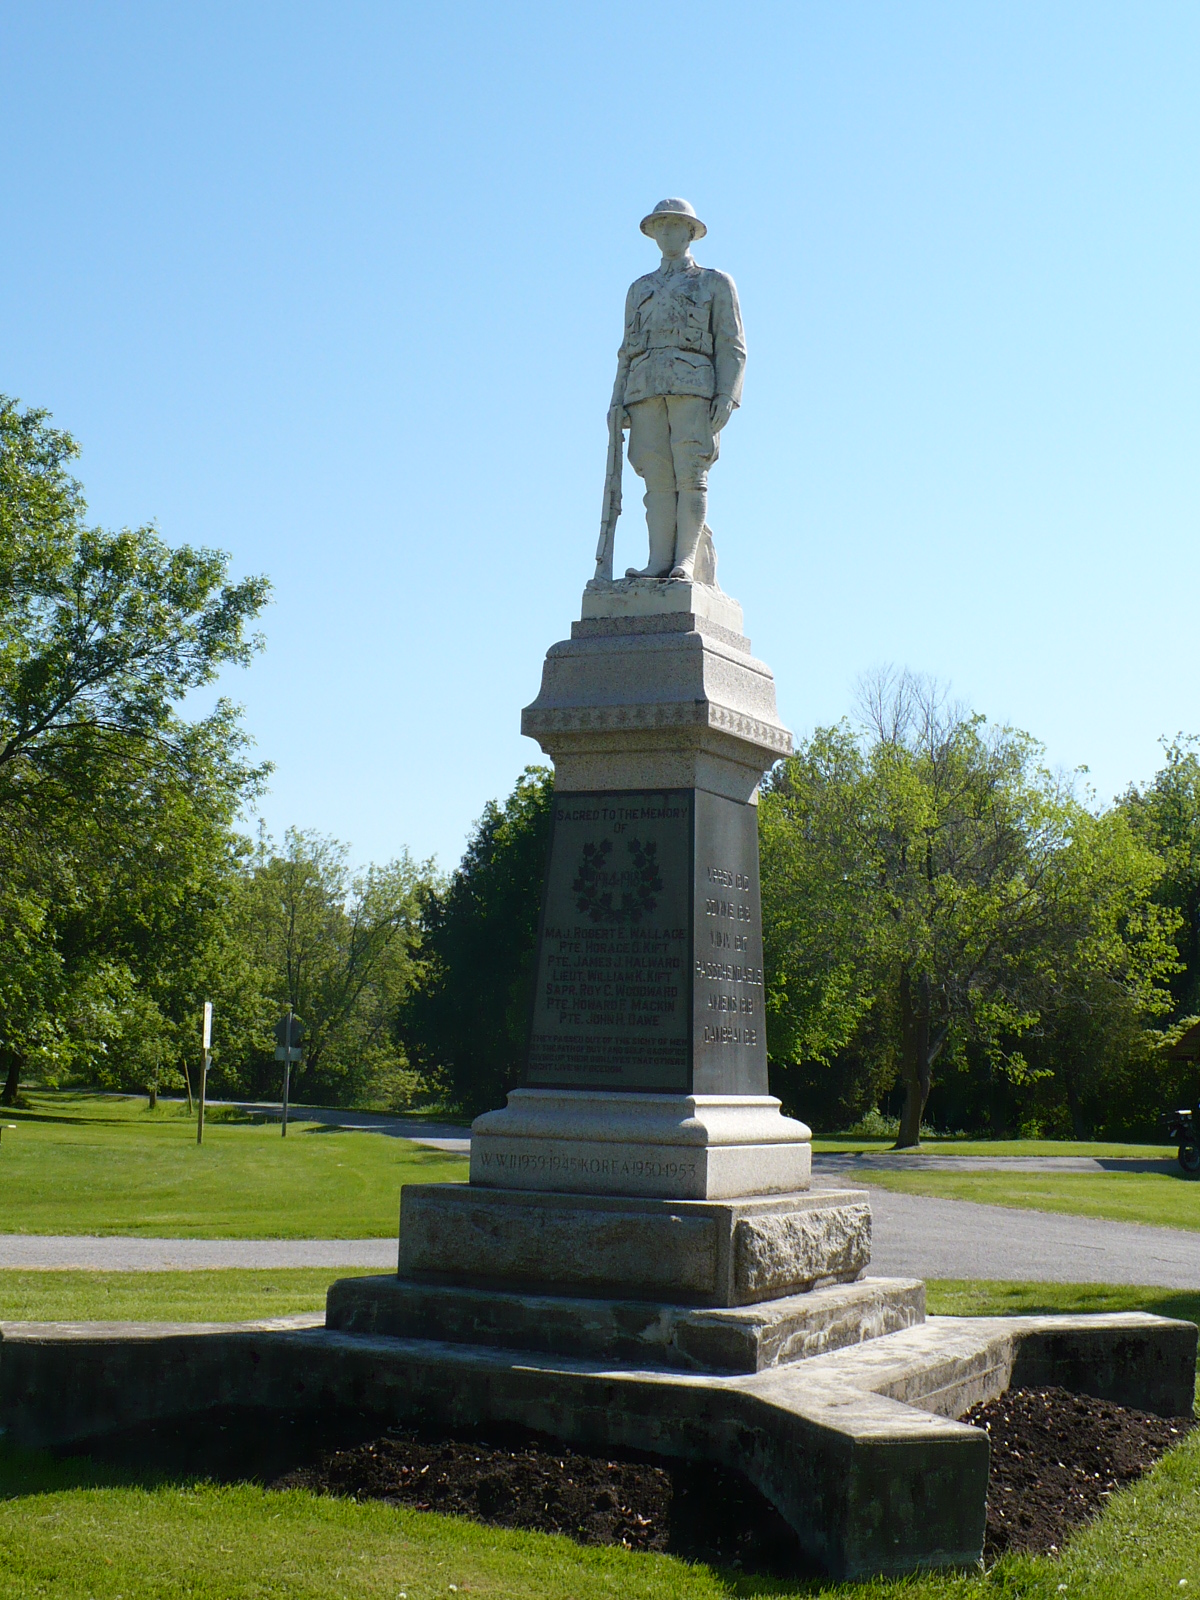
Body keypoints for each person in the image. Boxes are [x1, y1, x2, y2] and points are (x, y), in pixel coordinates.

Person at [610, 198, 746, 581]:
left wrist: (727, 394)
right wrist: (617, 401)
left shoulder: (713, 282)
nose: (667, 233)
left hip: (694, 386)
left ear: (691, 232)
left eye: (675, 226)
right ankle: (659, 562)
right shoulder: (639, 289)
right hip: (644, 390)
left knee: (690, 474)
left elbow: (731, 343)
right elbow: (626, 349)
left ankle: (685, 560)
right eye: (661, 227)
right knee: (655, 478)